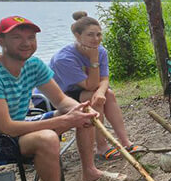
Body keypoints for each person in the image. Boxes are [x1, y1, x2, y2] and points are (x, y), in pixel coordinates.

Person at [0, 16, 127, 181]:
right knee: (46, 138)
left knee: (84, 114)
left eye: (31, 37)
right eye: (17, 37)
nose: (26, 43)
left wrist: (78, 111)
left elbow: (61, 100)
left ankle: (90, 174)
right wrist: (65, 121)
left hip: (11, 131)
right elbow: (6, 127)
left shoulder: (33, 65)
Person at [50, 11, 142, 159]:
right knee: (94, 97)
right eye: (90, 35)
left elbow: (104, 79)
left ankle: (125, 142)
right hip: (58, 97)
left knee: (106, 94)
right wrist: (93, 60)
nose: (96, 39)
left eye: (99, 34)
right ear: (78, 36)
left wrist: (100, 92)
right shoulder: (64, 59)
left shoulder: (101, 51)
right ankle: (102, 147)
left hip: (83, 90)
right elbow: (91, 86)